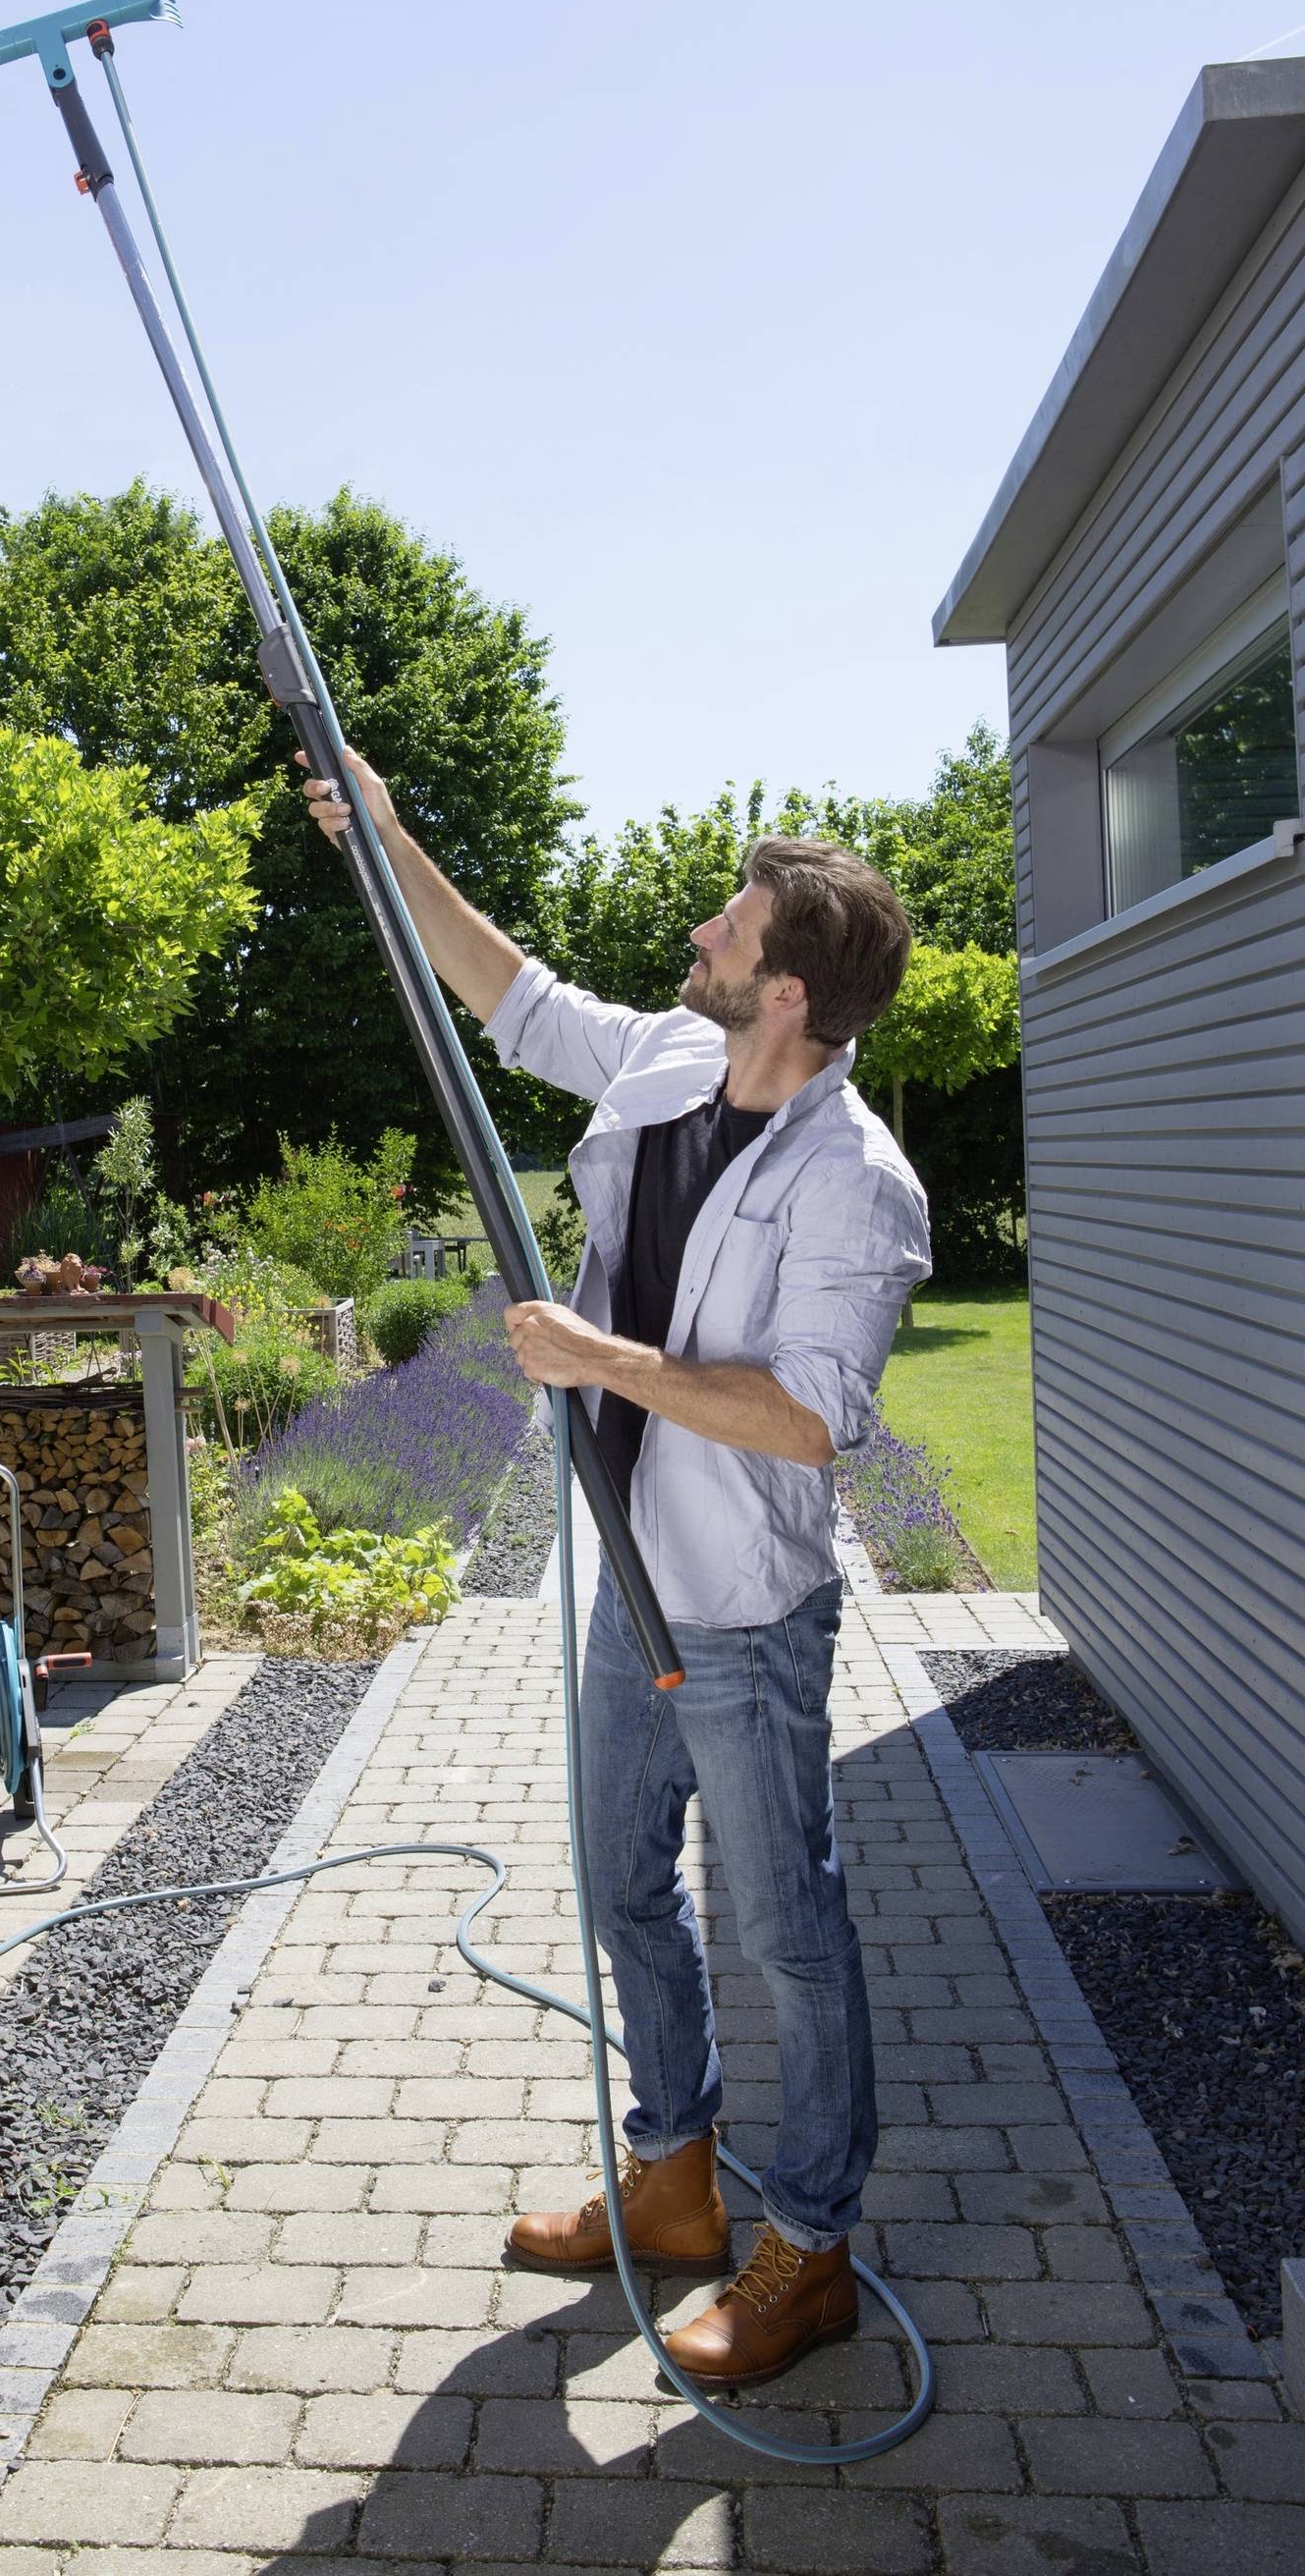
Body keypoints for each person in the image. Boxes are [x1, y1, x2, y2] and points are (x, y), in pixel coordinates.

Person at [301, 749, 929, 2387]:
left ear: (784, 988)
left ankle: (812, 2249)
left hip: (739, 1613)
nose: (703, 930)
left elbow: (810, 1421)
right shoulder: (665, 1062)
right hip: (629, 1582)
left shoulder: (857, 1185)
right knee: (619, 1886)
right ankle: (672, 2180)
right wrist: (388, 827)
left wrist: (606, 1359)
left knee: (793, 1933)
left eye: (732, 921)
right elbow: (508, 996)